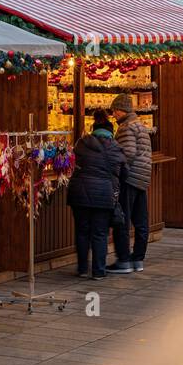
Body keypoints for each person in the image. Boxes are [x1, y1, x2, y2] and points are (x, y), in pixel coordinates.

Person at [67, 113, 125, 279]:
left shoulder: (81, 143)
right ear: (111, 132)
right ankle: (99, 271)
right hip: (103, 195)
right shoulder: (115, 147)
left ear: (94, 130)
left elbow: (72, 162)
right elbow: (123, 172)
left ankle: (83, 269)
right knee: (100, 233)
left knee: (82, 231)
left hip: (79, 193)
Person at [107, 93, 153, 273]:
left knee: (123, 219)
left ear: (120, 110)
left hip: (130, 178)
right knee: (141, 220)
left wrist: (117, 167)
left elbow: (128, 153)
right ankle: (138, 258)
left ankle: (124, 260)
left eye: (114, 111)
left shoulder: (126, 127)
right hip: (142, 176)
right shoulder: (140, 125)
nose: (113, 115)